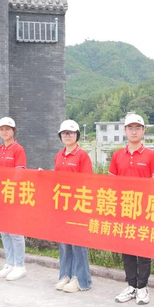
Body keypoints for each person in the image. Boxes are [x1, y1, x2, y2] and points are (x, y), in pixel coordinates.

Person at [109, 113, 154, 305]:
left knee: (144, 250)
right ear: (125, 130)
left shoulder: (150, 155)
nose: (134, 131)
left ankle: (142, 287)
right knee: (127, 249)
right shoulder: (117, 155)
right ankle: (131, 285)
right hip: (124, 208)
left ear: (143, 131)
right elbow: (112, 183)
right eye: (130, 128)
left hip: (144, 209)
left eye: (137, 128)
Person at [53, 120, 94, 293]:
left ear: (77, 134)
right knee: (64, 242)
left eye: (70, 132)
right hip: (62, 205)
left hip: (78, 205)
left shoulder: (82, 156)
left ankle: (81, 279)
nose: (67, 135)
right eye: (64, 133)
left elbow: (88, 182)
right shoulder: (59, 155)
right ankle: (65, 275)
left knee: (78, 243)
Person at [0, 117, 28, 282]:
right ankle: (10, 263)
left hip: (13, 196)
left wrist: (7, 190)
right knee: (4, 230)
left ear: (13, 131)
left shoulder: (18, 149)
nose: (4, 132)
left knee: (15, 232)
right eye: (1, 129)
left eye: (7, 129)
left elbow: (19, 174)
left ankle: (20, 265)